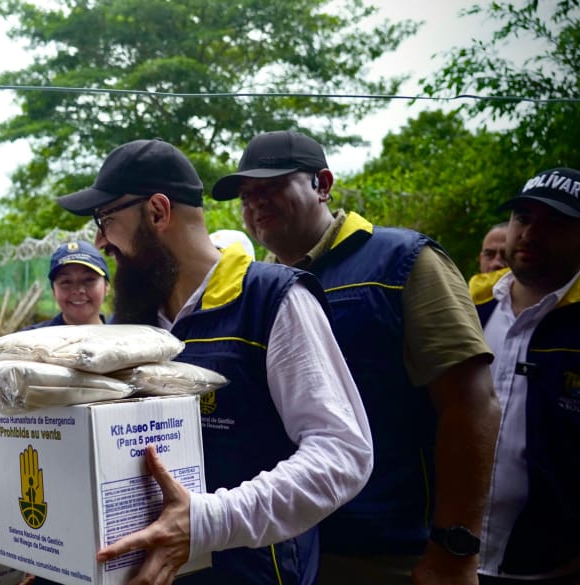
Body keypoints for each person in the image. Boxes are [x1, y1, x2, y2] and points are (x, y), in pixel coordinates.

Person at [57, 138, 374, 585]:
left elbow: (343, 454)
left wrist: (208, 522)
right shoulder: (137, 324)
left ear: (158, 213)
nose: (100, 240)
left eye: (106, 219)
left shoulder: (270, 301)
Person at [211, 130, 501, 585]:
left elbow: (472, 404)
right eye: (247, 195)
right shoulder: (256, 289)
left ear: (322, 184)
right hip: (285, 548)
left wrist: (454, 546)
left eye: (272, 187)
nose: (255, 204)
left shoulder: (404, 262)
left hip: (388, 552)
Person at [469, 167, 580, 584]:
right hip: (451, 557)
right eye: (522, 218)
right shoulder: (468, 306)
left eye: (554, 223)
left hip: (559, 568)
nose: (529, 233)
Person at [25, 240, 110, 328]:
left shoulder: (121, 337)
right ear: (54, 291)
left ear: (106, 286)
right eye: (66, 282)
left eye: (89, 280)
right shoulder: (29, 338)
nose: (77, 291)